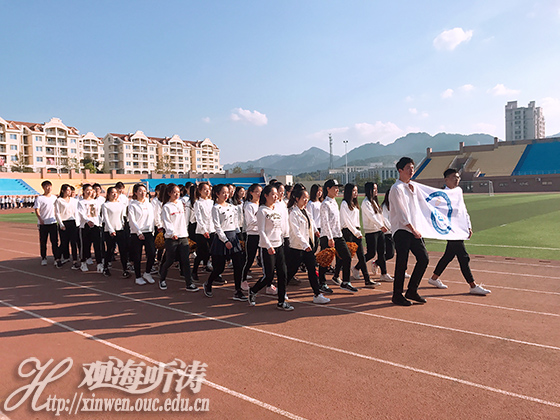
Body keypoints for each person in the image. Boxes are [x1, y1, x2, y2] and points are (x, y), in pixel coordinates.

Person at [428, 169, 491, 295]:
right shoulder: (441, 195)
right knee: (463, 257)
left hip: (459, 228)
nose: (457, 179)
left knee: (449, 255)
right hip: (451, 230)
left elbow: (463, 210)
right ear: (446, 179)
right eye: (453, 177)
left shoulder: (458, 191)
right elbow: (434, 208)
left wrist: (468, 226)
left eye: (458, 177)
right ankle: (472, 285)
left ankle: (434, 278)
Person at [389, 157, 429, 306]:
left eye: (413, 168)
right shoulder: (396, 189)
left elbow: (417, 209)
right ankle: (397, 295)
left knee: (423, 259)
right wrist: (412, 229)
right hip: (402, 230)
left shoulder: (412, 187)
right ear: (400, 170)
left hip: (413, 229)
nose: (411, 170)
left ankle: (412, 290)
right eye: (408, 168)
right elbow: (402, 213)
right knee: (402, 262)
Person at [248, 185, 294, 310]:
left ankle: (281, 301)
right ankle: (253, 290)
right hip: (267, 247)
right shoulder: (262, 211)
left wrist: (282, 240)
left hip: (279, 245)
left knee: (283, 273)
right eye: (273, 194)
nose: (275, 196)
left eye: (276, 194)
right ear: (266, 196)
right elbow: (261, 231)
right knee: (268, 276)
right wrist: (268, 246)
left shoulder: (276, 209)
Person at [201, 184, 247, 301]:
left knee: (238, 265)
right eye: (223, 193)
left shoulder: (232, 207)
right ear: (217, 194)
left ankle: (238, 290)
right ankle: (208, 283)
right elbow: (217, 226)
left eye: (227, 192)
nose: (226, 195)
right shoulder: (215, 208)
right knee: (219, 268)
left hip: (233, 237)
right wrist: (225, 240)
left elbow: (235, 223)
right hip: (222, 239)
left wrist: (239, 236)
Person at [286, 185, 330, 304]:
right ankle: (282, 289)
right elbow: (296, 232)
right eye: (303, 198)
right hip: (297, 247)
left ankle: (317, 294)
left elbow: (312, 222)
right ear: (297, 199)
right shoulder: (293, 213)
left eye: (307, 197)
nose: (306, 200)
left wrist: (315, 231)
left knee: (312, 269)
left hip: (307, 246)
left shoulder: (305, 210)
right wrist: (305, 245)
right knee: (291, 270)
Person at [318, 179, 359, 294]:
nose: (337, 190)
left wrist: (339, 234)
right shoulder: (325, 204)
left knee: (347, 256)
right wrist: (330, 238)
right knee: (325, 260)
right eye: (335, 188)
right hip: (327, 236)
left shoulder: (335, 202)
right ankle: (322, 283)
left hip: (338, 235)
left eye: (338, 188)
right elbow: (325, 222)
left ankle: (345, 282)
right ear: (328, 189)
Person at [159, 183, 199, 292]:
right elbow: (167, 222)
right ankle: (162, 279)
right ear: (169, 193)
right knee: (170, 260)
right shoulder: (166, 207)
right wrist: (172, 233)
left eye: (178, 192)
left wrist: (185, 232)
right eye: (174, 192)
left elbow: (184, 220)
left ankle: (189, 283)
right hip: (171, 238)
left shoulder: (181, 204)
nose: (177, 194)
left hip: (183, 236)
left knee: (185, 260)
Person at [340, 183, 378, 287]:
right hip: (348, 232)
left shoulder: (355, 204)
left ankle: (367, 279)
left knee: (361, 256)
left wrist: (358, 231)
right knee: (346, 257)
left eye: (356, 191)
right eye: (353, 191)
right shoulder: (344, 204)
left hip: (356, 231)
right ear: (348, 192)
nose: (356, 193)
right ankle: (337, 275)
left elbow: (356, 220)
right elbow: (347, 221)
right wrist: (356, 232)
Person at [362, 182, 393, 282]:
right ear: (369, 190)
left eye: (376, 188)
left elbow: (380, 216)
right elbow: (372, 216)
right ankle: (357, 267)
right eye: (374, 189)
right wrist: (381, 226)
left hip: (379, 231)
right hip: (371, 231)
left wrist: (386, 226)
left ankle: (384, 274)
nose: (376, 191)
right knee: (371, 253)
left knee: (381, 252)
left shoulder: (374, 202)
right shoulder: (366, 203)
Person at [128, 183, 156, 286]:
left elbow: (152, 218)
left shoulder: (149, 204)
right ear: (135, 192)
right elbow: (132, 220)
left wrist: (152, 230)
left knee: (152, 253)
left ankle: (147, 273)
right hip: (136, 233)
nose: (143, 193)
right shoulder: (132, 205)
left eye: (144, 191)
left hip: (148, 232)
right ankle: (138, 276)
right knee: (137, 256)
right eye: (140, 191)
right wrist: (138, 232)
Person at [101, 187, 130, 278]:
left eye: (116, 193)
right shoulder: (105, 205)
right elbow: (106, 219)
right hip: (109, 231)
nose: (114, 195)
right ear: (108, 194)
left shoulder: (120, 204)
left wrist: (123, 226)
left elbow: (122, 217)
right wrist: (111, 230)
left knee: (123, 250)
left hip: (120, 229)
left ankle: (125, 269)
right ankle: (105, 267)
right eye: (112, 193)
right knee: (110, 249)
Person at [34, 180, 62, 267]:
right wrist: (40, 219)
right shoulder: (39, 198)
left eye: (50, 186)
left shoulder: (54, 198)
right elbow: (37, 209)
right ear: (43, 188)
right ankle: (43, 258)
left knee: (55, 241)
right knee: (43, 242)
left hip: (53, 222)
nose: (49, 188)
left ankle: (56, 258)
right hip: (43, 223)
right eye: (47, 186)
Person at [77, 183, 103, 273]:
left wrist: (99, 222)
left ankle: (99, 263)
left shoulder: (95, 202)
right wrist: (88, 221)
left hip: (95, 225)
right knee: (85, 245)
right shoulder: (81, 202)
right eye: (87, 190)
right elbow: (81, 213)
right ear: (84, 191)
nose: (89, 192)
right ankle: (83, 262)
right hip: (85, 226)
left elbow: (98, 213)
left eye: (91, 190)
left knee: (97, 245)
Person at [241, 183, 262, 289]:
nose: (259, 194)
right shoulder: (249, 205)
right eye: (256, 192)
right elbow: (251, 221)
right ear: (251, 193)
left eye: (260, 192)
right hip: (253, 234)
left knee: (265, 259)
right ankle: (243, 279)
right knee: (250, 258)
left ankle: (268, 281)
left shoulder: (262, 205)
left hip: (262, 234)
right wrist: (263, 221)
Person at [193, 182, 215, 280]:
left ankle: (213, 272)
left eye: (208, 190)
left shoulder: (212, 202)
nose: (207, 191)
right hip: (201, 232)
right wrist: (204, 230)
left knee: (213, 252)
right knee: (202, 253)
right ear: (200, 191)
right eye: (205, 190)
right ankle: (194, 271)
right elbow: (199, 218)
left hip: (212, 230)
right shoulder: (198, 203)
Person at [55, 184, 79, 269]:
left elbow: (76, 212)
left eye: (70, 190)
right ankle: (57, 258)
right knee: (64, 243)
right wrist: (61, 224)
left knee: (73, 243)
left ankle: (75, 261)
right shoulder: (59, 200)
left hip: (73, 222)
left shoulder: (74, 200)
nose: (69, 192)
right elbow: (57, 213)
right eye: (67, 190)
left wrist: (77, 222)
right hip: (64, 222)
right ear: (63, 191)